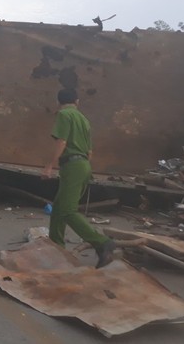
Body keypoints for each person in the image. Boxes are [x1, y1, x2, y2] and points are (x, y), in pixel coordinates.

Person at [43, 88, 116, 268]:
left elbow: (62, 141)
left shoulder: (64, 115)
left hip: (72, 165)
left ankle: (102, 242)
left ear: (59, 102)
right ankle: (56, 246)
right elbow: (90, 152)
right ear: (77, 101)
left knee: (67, 210)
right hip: (83, 165)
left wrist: (50, 165)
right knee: (59, 207)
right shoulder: (84, 119)